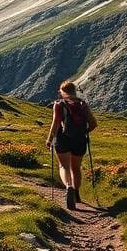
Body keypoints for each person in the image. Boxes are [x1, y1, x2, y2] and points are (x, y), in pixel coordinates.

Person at [45, 80, 97, 209]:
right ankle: (77, 193)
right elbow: (93, 124)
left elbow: (55, 124)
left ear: (62, 92)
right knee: (76, 168)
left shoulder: (59, 104)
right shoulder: (83, 104)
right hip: (80, 139)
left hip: (63, 138)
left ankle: (68, 186)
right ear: (74, 91)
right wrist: (84, 132)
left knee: (64, 166)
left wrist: (49, 139)